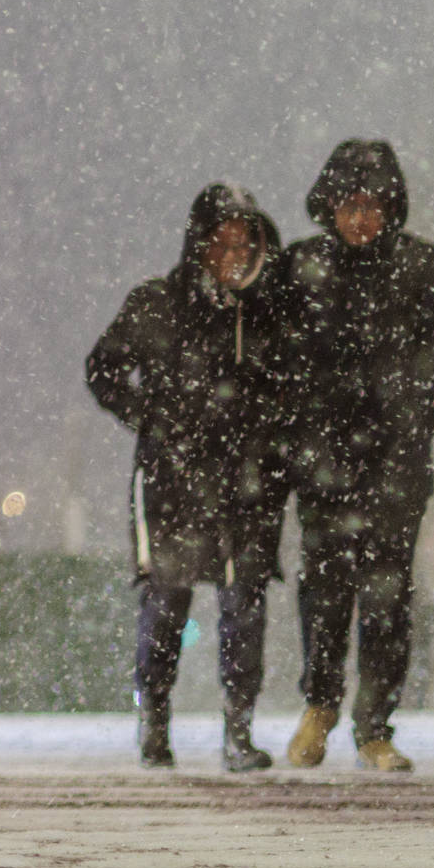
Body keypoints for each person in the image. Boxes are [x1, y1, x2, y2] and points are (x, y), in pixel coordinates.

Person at [87, 183, 298, 771]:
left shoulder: (268, 314)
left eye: (246, 241)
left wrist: (274, 438)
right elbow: (102, 369)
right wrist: (150, 418)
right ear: (199, 243)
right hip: (173, 480)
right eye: (223, 240)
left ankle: (238, 733)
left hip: (249, 481)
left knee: (245, 604)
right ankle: (153, 724)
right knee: (166, 605)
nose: (234, 253)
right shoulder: (157, 303)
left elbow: (294, 388)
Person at [282, 139, 434, 772]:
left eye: (371, 205)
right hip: (323, 466)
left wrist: (413, 417)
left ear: (391, 207)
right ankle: (320, 705)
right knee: (324, 592)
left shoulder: (422, 269)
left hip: (396, 467)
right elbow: (275, 360)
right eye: (347, 205)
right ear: (327, 207)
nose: (359, 218)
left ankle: (375, 727)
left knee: (388, 600)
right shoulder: (300, 269)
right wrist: (302, 430)